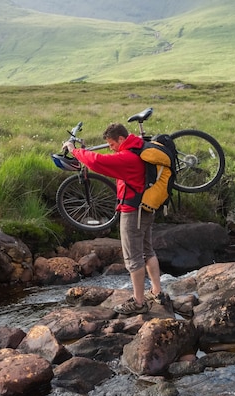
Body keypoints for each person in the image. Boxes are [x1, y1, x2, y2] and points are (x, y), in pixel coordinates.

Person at [63, 123, 169, 315]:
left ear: (121, 139)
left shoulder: (127, 158)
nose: (110, 148)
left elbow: (96, 162)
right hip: (146, 207)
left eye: (112, 144)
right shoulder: (139, 145)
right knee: (147, 250)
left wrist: (74, 150)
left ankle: (138, 302)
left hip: (133, 211)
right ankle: (157, 291)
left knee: (133, 259)